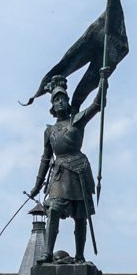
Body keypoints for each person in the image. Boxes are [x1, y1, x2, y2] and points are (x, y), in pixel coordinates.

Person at [29, 75, 102, 263]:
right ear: (52, 106)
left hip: (78, 170)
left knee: (80, 215)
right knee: (53, 208)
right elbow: (45, 158)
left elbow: (96, 105)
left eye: (63, 99)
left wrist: (102, 82)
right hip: (59, 174)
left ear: (68, 102)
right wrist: (37, 186)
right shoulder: (49, 131)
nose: (60, 102)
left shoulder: (76, 120)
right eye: (56, 99)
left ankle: (79, 256)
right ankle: (46, 253)